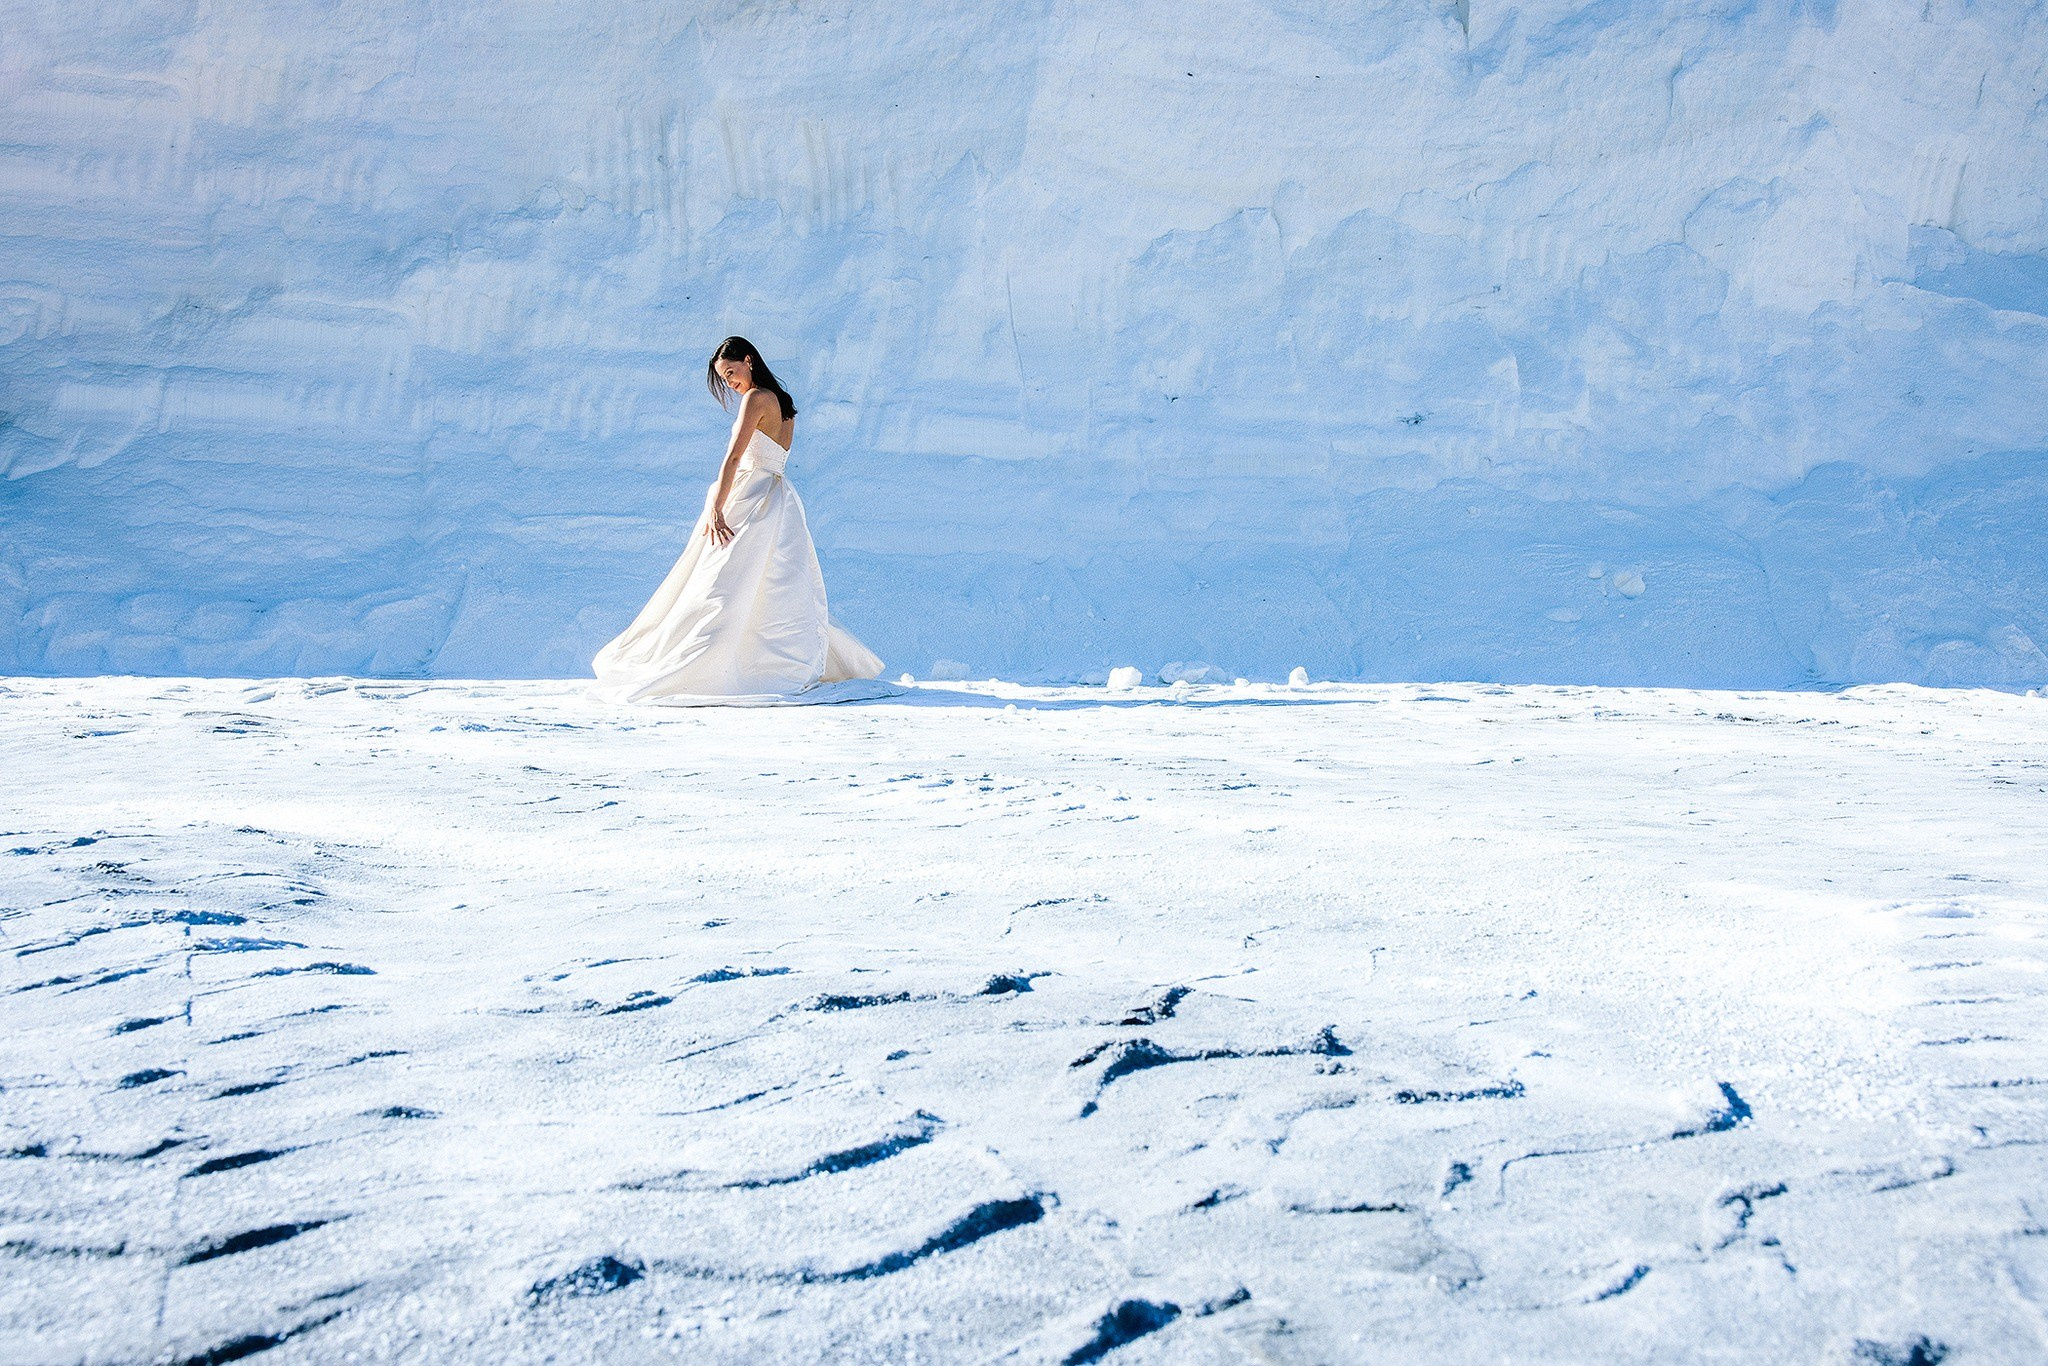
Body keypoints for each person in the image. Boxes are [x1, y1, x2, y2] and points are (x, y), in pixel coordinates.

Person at [589, 336, 885, 704]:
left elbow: (733, 458)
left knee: (720, 584)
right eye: (724, 378)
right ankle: (766, 662)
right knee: (772, 586)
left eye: (731, 373)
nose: (730, 383)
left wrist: (716, 505)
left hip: (749, 494)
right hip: (778, 497)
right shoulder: (785, 406)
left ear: (748, 360)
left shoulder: (755, 399)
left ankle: (710, 662)